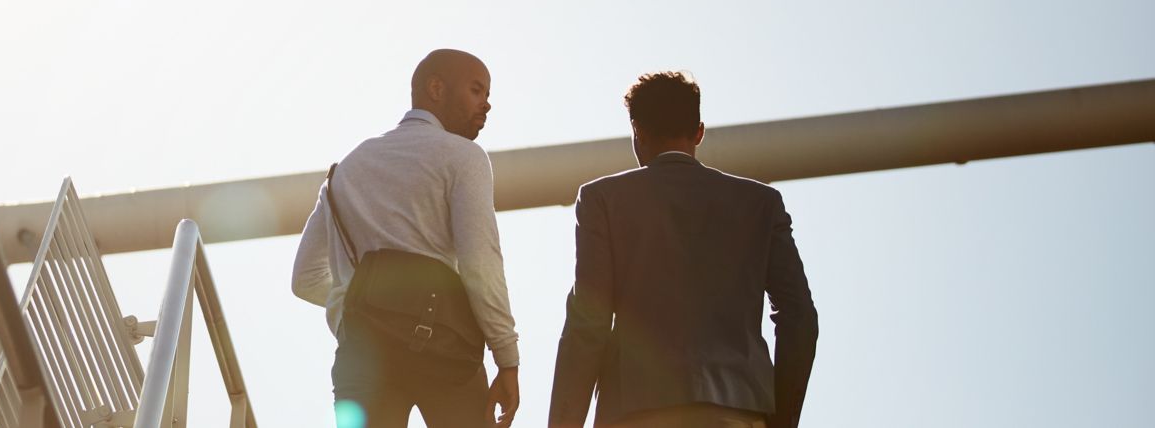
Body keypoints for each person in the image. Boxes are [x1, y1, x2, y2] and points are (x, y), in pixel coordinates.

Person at [547, 72, 819, 428]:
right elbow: (799, 317)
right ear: (699, 132)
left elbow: (589, 324)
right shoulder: (762, 203)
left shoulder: (602, 200)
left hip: (636, 411)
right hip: (739, 410)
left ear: (637, 131)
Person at [293, 49, 521, 428]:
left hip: (360, 353)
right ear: (436, 88)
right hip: (444, 346)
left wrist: (365, 298)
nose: (488, 104)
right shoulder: (463, 157)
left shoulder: (344, 171)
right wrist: (507, 359)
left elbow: (304, 279)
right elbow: (481, 264)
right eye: (476, 90)